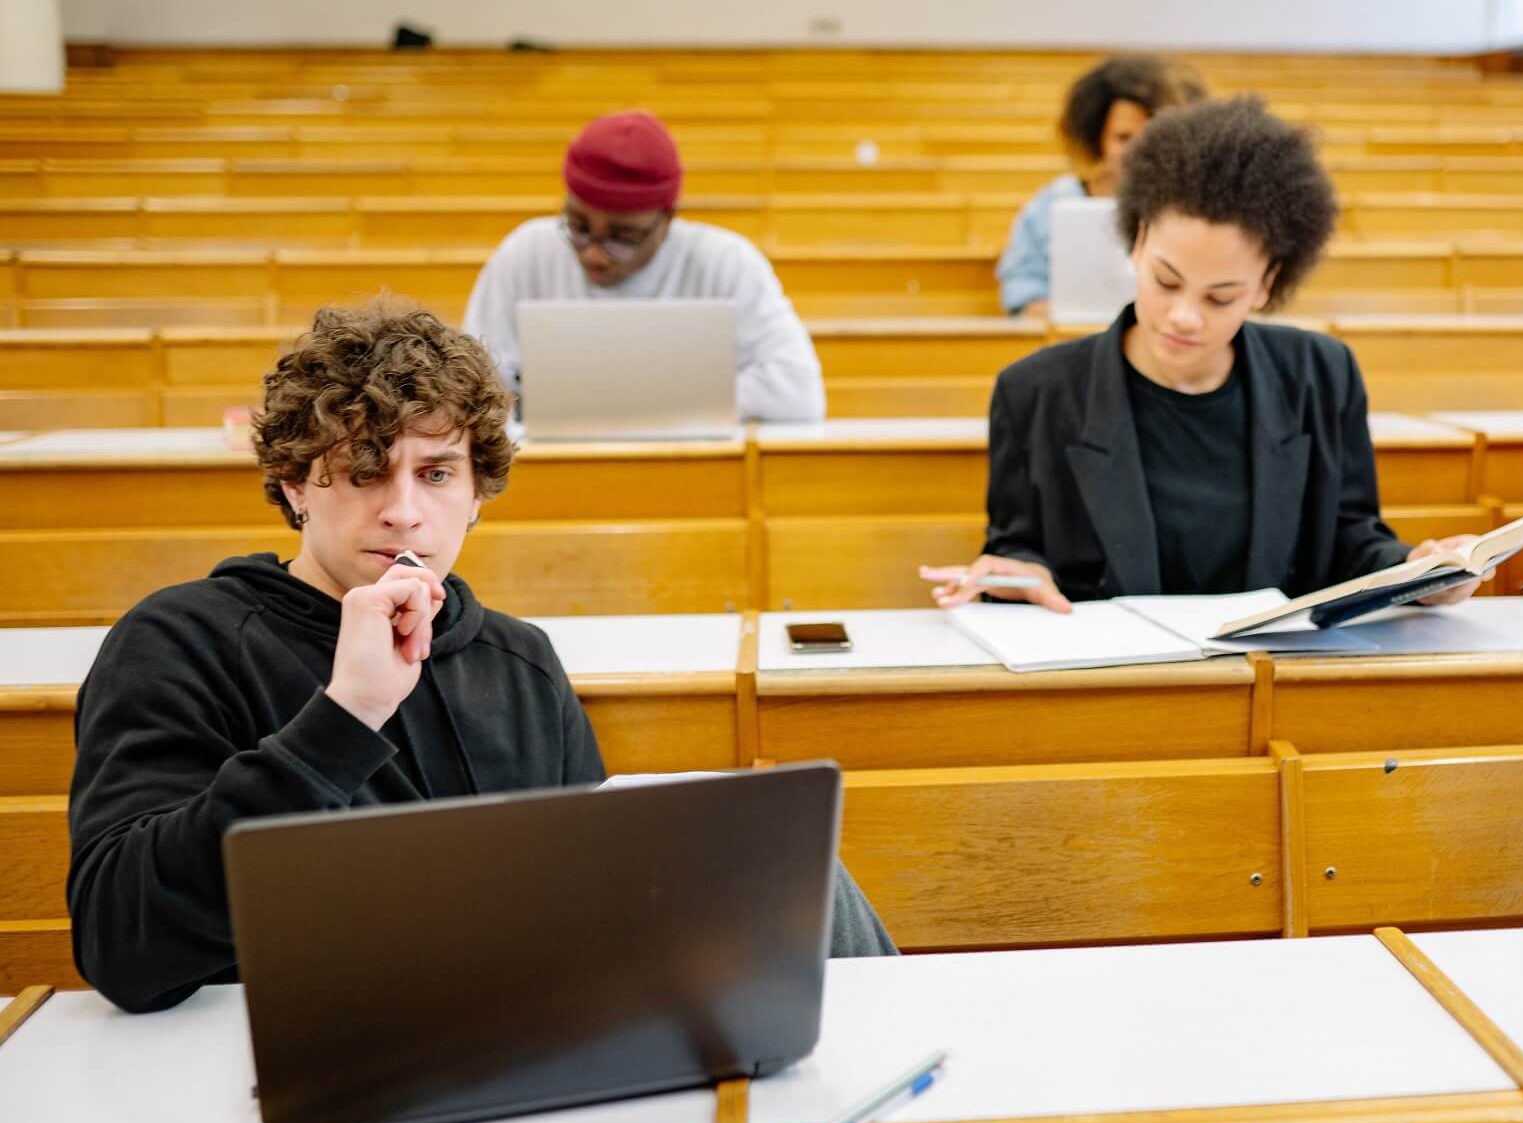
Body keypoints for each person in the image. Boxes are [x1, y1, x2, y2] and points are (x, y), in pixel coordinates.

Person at [67, 301, 893, 1015]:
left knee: (797, 870)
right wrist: (343, 718)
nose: (404, 512)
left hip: (510, 1042)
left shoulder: (521, 663)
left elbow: (579, 915)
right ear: (293, 483)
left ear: (477, 493)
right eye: (362, 471)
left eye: (436, 473)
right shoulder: (179, 642)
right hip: (286, 1057)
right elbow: (123, 947)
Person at [930, 98, 1484, 612]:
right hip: (1107, 690)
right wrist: (1019, 577)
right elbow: (1020, 550)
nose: (1184, 317)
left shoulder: (1321, 375)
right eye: (1166, 282)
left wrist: (1419, 572)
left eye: (1221, 297)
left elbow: (1350, 538)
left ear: (1267, 282)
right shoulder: (1036, 392)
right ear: (1138, 240)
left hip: (1275, 682)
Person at [463, 109, 826, 423]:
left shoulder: (726, 262)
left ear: (667, 219)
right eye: (579, 227)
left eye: (622, 238)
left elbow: (798, 390)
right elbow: (473, 390)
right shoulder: (526, 252)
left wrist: (630, 404)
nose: (595, 254)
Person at [994, 55, 1206, 318]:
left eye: (1151, 137)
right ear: (1098, 138)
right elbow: (1022, 288)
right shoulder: (1051, 204)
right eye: (1123, 137)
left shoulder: (1194, 206)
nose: (1138, 151)